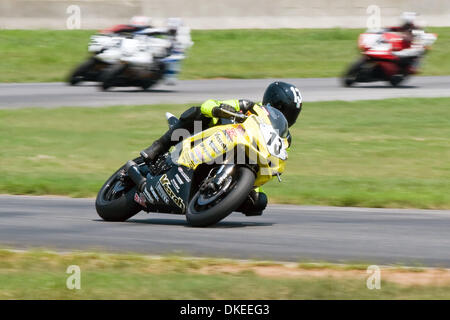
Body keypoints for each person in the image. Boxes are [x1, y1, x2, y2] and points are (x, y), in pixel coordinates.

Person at [139, 81, 303, 215]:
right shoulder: (250, 107)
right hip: (212, 141)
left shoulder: (285, 137)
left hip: (248, 160)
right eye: (285, 109)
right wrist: (219, 110)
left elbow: (276, 162)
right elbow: (210, 104)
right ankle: (158, 147)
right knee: (198, 113)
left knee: (258, 203)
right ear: (273, 102)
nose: (289, 115)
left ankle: (213, 200)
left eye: (293, 112)